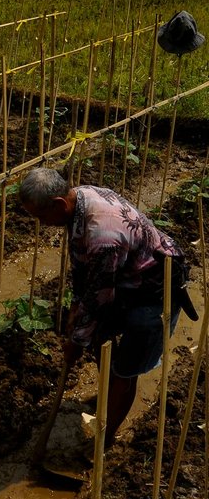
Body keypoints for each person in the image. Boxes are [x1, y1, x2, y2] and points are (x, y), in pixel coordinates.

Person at [20, 168, 198, 452]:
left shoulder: (103, 234)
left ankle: (105, 438)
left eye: (41, 217)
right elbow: (85, 269)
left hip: (154, 288)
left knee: (126, 368)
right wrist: (76, 305)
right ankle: (109, 392)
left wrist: (76, 341)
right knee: (99, 341)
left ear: (58, 204)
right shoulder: (80, 198)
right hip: (124, 277)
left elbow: (101, 295)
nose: (41, 223)